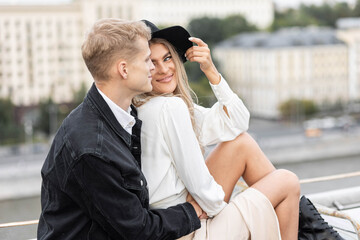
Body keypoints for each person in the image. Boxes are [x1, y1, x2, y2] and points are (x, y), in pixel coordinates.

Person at [37, 18, 204, 239]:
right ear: (123, 69)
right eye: (146, 60)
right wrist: (191, 212)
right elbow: (137, 230)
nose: (153, 68)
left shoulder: (119, 115)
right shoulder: (91, 149)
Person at [134, 20, 301, 239]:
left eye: (167, 58)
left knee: (241, 143)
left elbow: (238, 122)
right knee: (287, 181)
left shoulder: (152, 105)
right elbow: (197, 181)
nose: (164, 69)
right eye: (153, 63)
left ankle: (293, 217)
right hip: (183, 227)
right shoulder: (168, 108)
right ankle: (302, 223)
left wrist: (211, 71)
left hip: (175, 216)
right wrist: (225, 212)